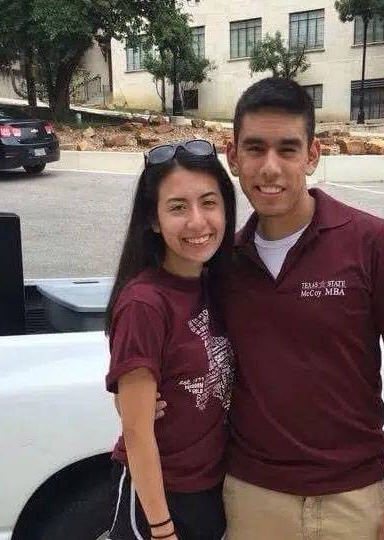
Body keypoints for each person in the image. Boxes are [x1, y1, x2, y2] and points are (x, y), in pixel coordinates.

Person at [218, 77, 384, 540]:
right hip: (253, 499)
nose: (270, 167)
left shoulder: (373, 243)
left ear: (313, 155)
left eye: (288, 149)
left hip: (354, 500)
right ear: (232, 157)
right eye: (255, 149)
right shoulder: (223, 264)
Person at [104, 139, 236, 540]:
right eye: (178, 207)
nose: (198, 222)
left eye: (209, 203)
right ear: (154, 220)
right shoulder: (145, 303)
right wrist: (161, 529)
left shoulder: (214, 282)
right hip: (161, 498)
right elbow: (138, 431)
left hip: (211, 489)